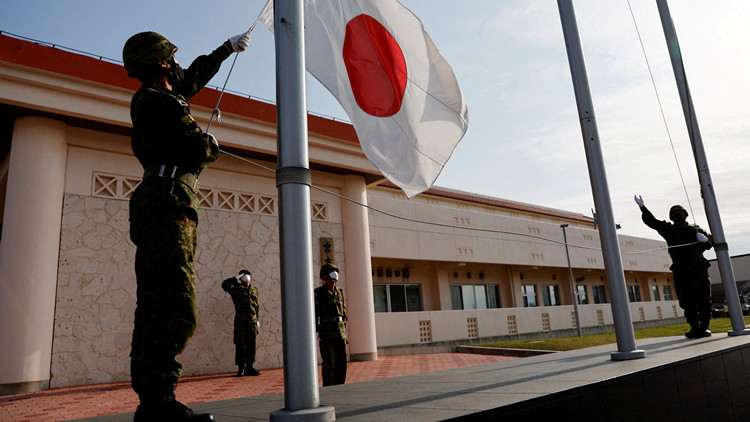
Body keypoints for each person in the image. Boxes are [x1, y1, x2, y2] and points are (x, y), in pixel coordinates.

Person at [123, 29, 251, 421]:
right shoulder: (158, 101)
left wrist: (225, 51)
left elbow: (192, 77)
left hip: (166, 199)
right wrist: (209, 143)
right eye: (172, 58)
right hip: (167, 200)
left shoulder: (157, 95)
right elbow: (200, 148)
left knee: (159, 302)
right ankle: (158, 401)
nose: (179, 63)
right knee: (176, 305)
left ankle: (155, 402)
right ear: (162, 63)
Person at [635, 195, 713, 338]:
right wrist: (643, 208)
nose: (678, 216)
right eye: (675, 214)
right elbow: (653, 222)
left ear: (685, 215)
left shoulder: (695, 229)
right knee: (686, 299)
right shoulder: (668, 230)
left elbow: (709, 245)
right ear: (671, 217)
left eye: (680, 214)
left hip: (698, 267)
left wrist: (706, 240)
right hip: (681, 269)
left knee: (703, 298)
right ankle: (694, 327)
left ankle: (705, 327)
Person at [221, 269, 261, 377]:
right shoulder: (236, 289)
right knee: (240, 344)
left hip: (252, 321)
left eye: (247, 275)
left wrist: (257, 319)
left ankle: (249, 367)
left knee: (251, 344)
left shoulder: (254, 290)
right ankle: (241, 368)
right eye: (244, 275)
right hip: (241, 321)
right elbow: (224, 285)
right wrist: (235, 279)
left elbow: (256, 306)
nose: (246, 277)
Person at [314, 263, 348, 386]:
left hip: (339, 330)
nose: (335, 273)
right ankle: (329, 386)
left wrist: (344, 327)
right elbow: (315, 313)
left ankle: (340, 384)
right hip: (326, 330)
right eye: (331, 271)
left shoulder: (339, 292)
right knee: (329, 361)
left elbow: (343, 312)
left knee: (342, 360)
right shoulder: (318, 293)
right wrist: (316, 330)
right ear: (324, 276)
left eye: (335, 271)